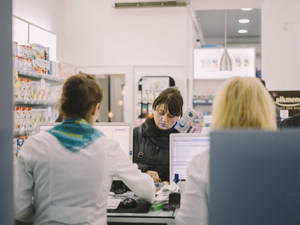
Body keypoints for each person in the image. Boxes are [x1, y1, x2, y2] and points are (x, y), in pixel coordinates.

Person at [14, 73, 155, 225]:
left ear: (62, 105)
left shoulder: (34, 146)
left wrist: (47, 213)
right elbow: (147, 191)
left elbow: (18, 209)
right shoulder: (108, 147)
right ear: (95, 108)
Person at [176, 77, 277, 225]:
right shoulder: (285, 159)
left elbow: (190, 221)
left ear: (221, 110)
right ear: (266, 109)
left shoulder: (202, 164)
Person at [133, 87, 183, 183]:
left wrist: (171, 183)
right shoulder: (136, 135)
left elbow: (184, 173)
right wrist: (144, 171)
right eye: (161, 113)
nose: (164, 119)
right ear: (153, 109)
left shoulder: (180, 141)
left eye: (170, 116)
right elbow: (123, 167)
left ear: (178, 117)